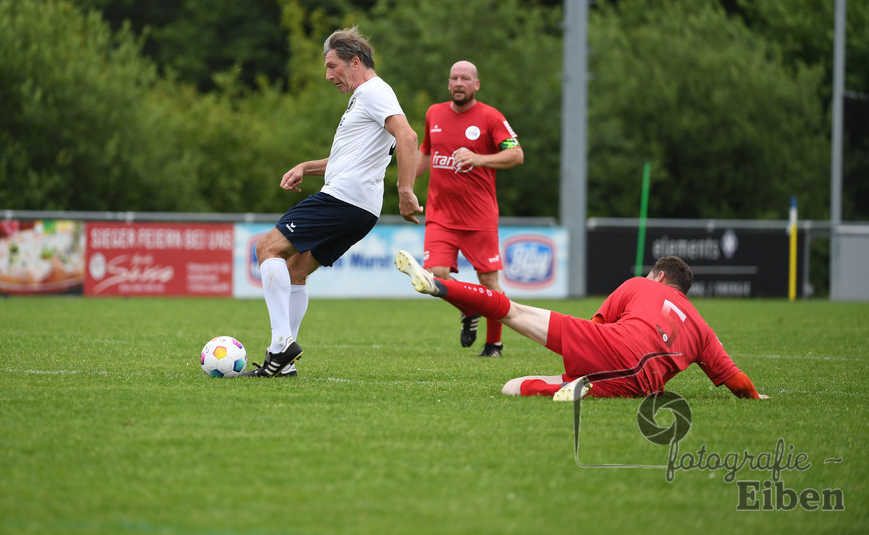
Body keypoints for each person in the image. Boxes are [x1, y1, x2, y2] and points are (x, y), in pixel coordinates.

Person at [242, 26, 423, 377]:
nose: (328, 76)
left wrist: (405, 190)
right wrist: (305, 167)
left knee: (267, 248)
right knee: (296, 270)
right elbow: (350, 156)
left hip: (343, 198)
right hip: (361, 208)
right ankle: (281, 366)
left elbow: (408, 136)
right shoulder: (368, 98)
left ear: (355, 62)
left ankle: (281, 343)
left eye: (332, 66)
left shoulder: (373, 92)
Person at [395, 251, 768, 400]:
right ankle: (582, 387)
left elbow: (596, 325)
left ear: (657, 276)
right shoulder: (702, 328)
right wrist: (756, 398)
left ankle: (439, 285)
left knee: (514, 315)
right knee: (591, 378)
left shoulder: (639, 284)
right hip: (639, 385)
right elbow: (737, 381)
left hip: (605, 347)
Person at [416, 60, 523, 357]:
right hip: (440, 215)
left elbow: (516, 155)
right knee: (433, 276)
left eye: (465, 78)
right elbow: (426, 151)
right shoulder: (434, 113)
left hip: (479, 217)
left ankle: (494, 344)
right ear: (448, 83)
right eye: (454, 78)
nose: (458, 83)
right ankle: (468, 308)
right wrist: (406, 186)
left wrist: (480, 159)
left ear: (477, 84)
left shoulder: (490, 117)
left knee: (489, 282)